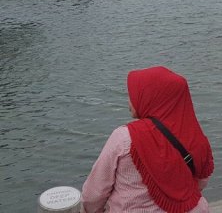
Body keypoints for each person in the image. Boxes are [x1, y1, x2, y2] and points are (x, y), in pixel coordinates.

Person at [81, 66, 214, 213]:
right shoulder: (196, 137)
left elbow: (93, 195)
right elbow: (200, 183)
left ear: (151, 97)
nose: (129, 100)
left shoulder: (125, 138)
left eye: (134, 94)